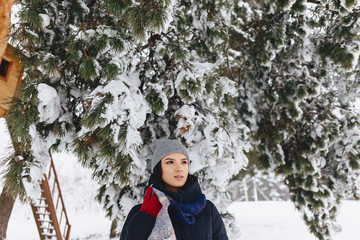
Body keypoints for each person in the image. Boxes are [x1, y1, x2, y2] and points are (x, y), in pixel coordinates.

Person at [120, 138, 228, 240]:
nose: (179, 168)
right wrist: (144, 219)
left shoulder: (208, 210)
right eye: (170, 162)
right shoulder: (141, 212)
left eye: (184, 162)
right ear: (158, 168)